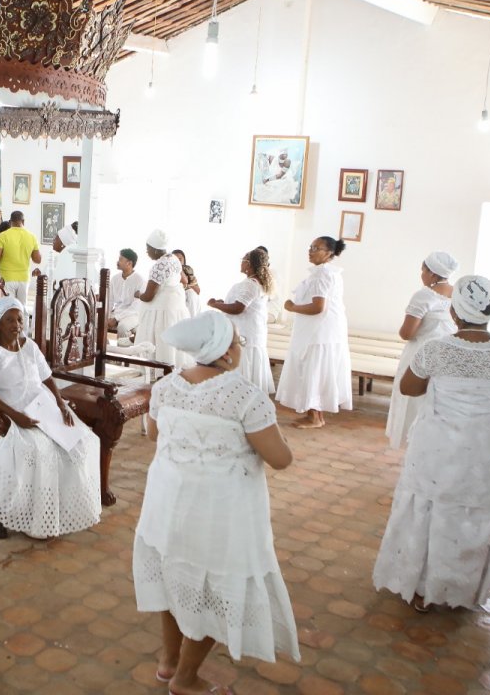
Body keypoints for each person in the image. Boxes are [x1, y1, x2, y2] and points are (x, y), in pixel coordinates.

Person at [136, 312, 298, 694]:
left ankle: (169, 661)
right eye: (237, 341)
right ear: (224, 353)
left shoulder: (166, 387)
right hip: (218, 514)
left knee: (174, 579)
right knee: (217, 592)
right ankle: (185, 679)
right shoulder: (244, 396)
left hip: (168, 505)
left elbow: (153, 435)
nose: (240, 347)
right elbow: (280, 459)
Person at [373, 276, 490, 611]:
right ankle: (465, 589)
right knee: (475, 518)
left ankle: (420, 587)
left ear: (454, 311)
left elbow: (409, 388)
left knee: (431, 513)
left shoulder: (436, 350)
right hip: (486, 455)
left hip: (438, 451)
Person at [0, 296, 102, 540]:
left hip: (43, 408)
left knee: (83, 441)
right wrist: (17, 417)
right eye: (9, 320)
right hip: (11, 411)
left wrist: (61, 405)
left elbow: (47, 377)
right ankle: (26, 517)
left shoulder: (29, 345)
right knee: (41, 450)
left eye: (19, 319)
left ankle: (64, 512)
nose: (16, 325)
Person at [276, 236, 352, 428]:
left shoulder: (323, 274)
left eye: (316, 248)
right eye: (310, 246)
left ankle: (316, 417)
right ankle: (313, 414)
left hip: (320, 332)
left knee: (314, 370)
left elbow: (319, 307)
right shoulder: (323, 273)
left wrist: (292, 307)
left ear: (329, 253)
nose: (310, 250)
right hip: (321, 331)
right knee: (312, 369)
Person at [384, 252, 458, 448]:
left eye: (423, 270)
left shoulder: (424, 296)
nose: (422, 274)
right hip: (447, 356)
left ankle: (413, 442)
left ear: (432, 274)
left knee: (414, 400)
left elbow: (407, 333)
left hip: (420, 355)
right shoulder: (457, 294)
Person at [207, 248, 275, 393]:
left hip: (245, 333)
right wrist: (223, 303)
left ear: (249, 264)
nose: (241, 263)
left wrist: (215, 305)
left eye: (243, 260)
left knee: (242, 368)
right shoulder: (257, 282)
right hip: (252, 332)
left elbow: (238, 308)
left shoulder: (250, 284)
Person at [136, 230, 192, 368]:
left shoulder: (158, 266)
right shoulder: (174, 259)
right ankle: (175, 369)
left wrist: (138, 295)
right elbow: (184, 281)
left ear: (155, 250)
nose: (146, 251)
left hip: (161, 312)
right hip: (176, 311)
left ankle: (158, 373)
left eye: (148, 248)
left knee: (159, 343)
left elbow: (148, 296)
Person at [0, 210, 41, 305]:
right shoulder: (31, 237)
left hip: (7, 278)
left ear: (10, 222)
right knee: (23, 307)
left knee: (9, 308)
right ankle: (24, 320)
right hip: (24, 279)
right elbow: (37, 260)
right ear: (23, 222)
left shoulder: (2, 236)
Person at [108, 248, 144, 343]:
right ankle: (106, 352)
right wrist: (106, 316)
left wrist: (116, 319)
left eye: (120, 259)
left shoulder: (139, 280)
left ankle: (123, 355)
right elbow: (110, 300)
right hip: (117, 311)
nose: (117, 262)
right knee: (97, 322)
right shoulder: (114, 279)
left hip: (133, 314)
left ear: (129, 263)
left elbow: (136, 306)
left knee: (123, 327)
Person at [171, 250, 201, 317]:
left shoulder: (188, 271)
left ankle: (192, 322)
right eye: (175, 259)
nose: (178, 262)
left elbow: (198, 291)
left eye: (180, 259)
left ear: (184, 261)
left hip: (189, 299)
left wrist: (188, 280)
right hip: (175, 298)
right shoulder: (169, 272)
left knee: (191, 294)